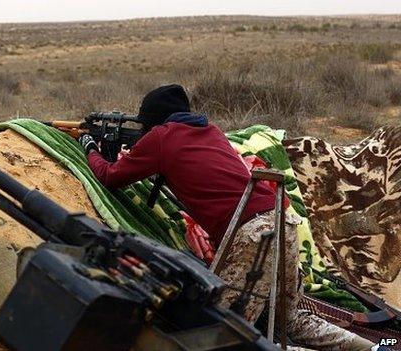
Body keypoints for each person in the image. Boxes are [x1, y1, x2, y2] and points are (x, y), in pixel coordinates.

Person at [78, 84, 376, 350]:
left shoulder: (161, 137)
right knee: (291, 321)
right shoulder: (212, 130)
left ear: (155, 120)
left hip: (252, 234)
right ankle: (372, 349)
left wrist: (90, 148)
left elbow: (110, 176)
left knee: (223, 333)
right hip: (283, 222)